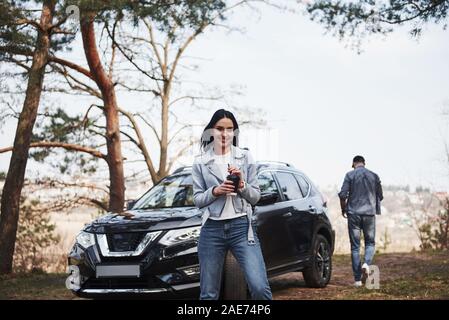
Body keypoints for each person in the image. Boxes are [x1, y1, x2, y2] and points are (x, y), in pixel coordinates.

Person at [192, 108, 272, 300]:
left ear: (234, 132)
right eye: (220, 128)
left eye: (230, 129)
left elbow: (255, 197)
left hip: (242, 228)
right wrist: (215, 191)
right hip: (212, 228)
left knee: (260, 288)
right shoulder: (200, 162)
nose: (225, 133)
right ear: (211, 130)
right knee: (208, 294)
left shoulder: (245, 157)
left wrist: (243, 185)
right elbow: (197, 200)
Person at [338, 155, 383, 287]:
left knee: (355, 247)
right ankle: (366, 264)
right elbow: (380, 195)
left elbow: (342, 195)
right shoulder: (374, 176)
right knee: (370, 243)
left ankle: (357, 280)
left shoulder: (349, 175)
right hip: (369, 214)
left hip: (354, 214)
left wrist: (343, 209)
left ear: (353, 164)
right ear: (364, 163)